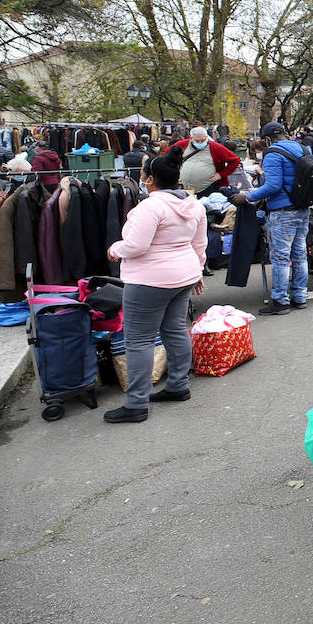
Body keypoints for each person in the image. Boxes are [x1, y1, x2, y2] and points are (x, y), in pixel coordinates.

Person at [102, 146, 207, 423]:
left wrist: (115, 249)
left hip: (149, 280)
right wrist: (197, 271)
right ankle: (178, 385)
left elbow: (136, 246)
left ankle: (136, 403)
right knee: (175, 329)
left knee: (138, 340)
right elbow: (200, 244)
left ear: (150, 179)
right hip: (183, 275)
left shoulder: (150, 207)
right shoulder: (194, 205)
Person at [237, 122, 309, 315]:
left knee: (280, 257)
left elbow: (273, 186)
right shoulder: (302, 148)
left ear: (267, 139)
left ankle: (280, 301)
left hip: (283, 211)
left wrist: (248, 196)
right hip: (302, 208)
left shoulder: (273, 154)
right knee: (300, 254)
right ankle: (300, 296)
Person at [172, 126, 242, 196]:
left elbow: (235, 160)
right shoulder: (182, 144)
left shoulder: (215, 147)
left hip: (208, 188)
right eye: (197, 141)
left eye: (203, 140)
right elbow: (168, 155)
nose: (200, 143)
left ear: (206, 137)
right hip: (183, 188)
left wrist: (221, 174)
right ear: (191, 138)